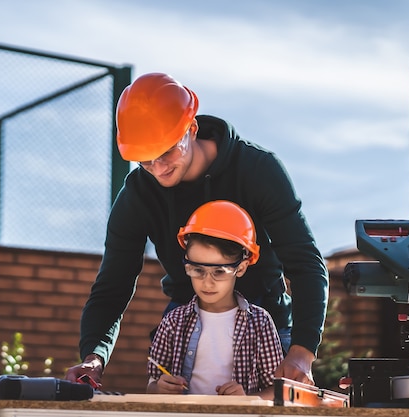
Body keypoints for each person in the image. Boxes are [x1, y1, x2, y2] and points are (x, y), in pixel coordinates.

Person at [64, 72, 328, 386]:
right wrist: (94, 355)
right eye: (145, 161)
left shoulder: (256, 170)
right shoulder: (138, 195)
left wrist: (301, 352)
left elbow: (305, 263)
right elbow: (112, 286)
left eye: (166, 153)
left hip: (266, 324)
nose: (158, 169)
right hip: (185, 325)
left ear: (191, 129)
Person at [147, 200, 284, 398]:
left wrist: (247, 400)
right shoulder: (173, 322)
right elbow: (151, 386)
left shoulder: (260, 322)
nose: (207, 282)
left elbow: (277, 390)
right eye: (197, 270)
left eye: (219, 271)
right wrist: (158, 388)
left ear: (242, 268)